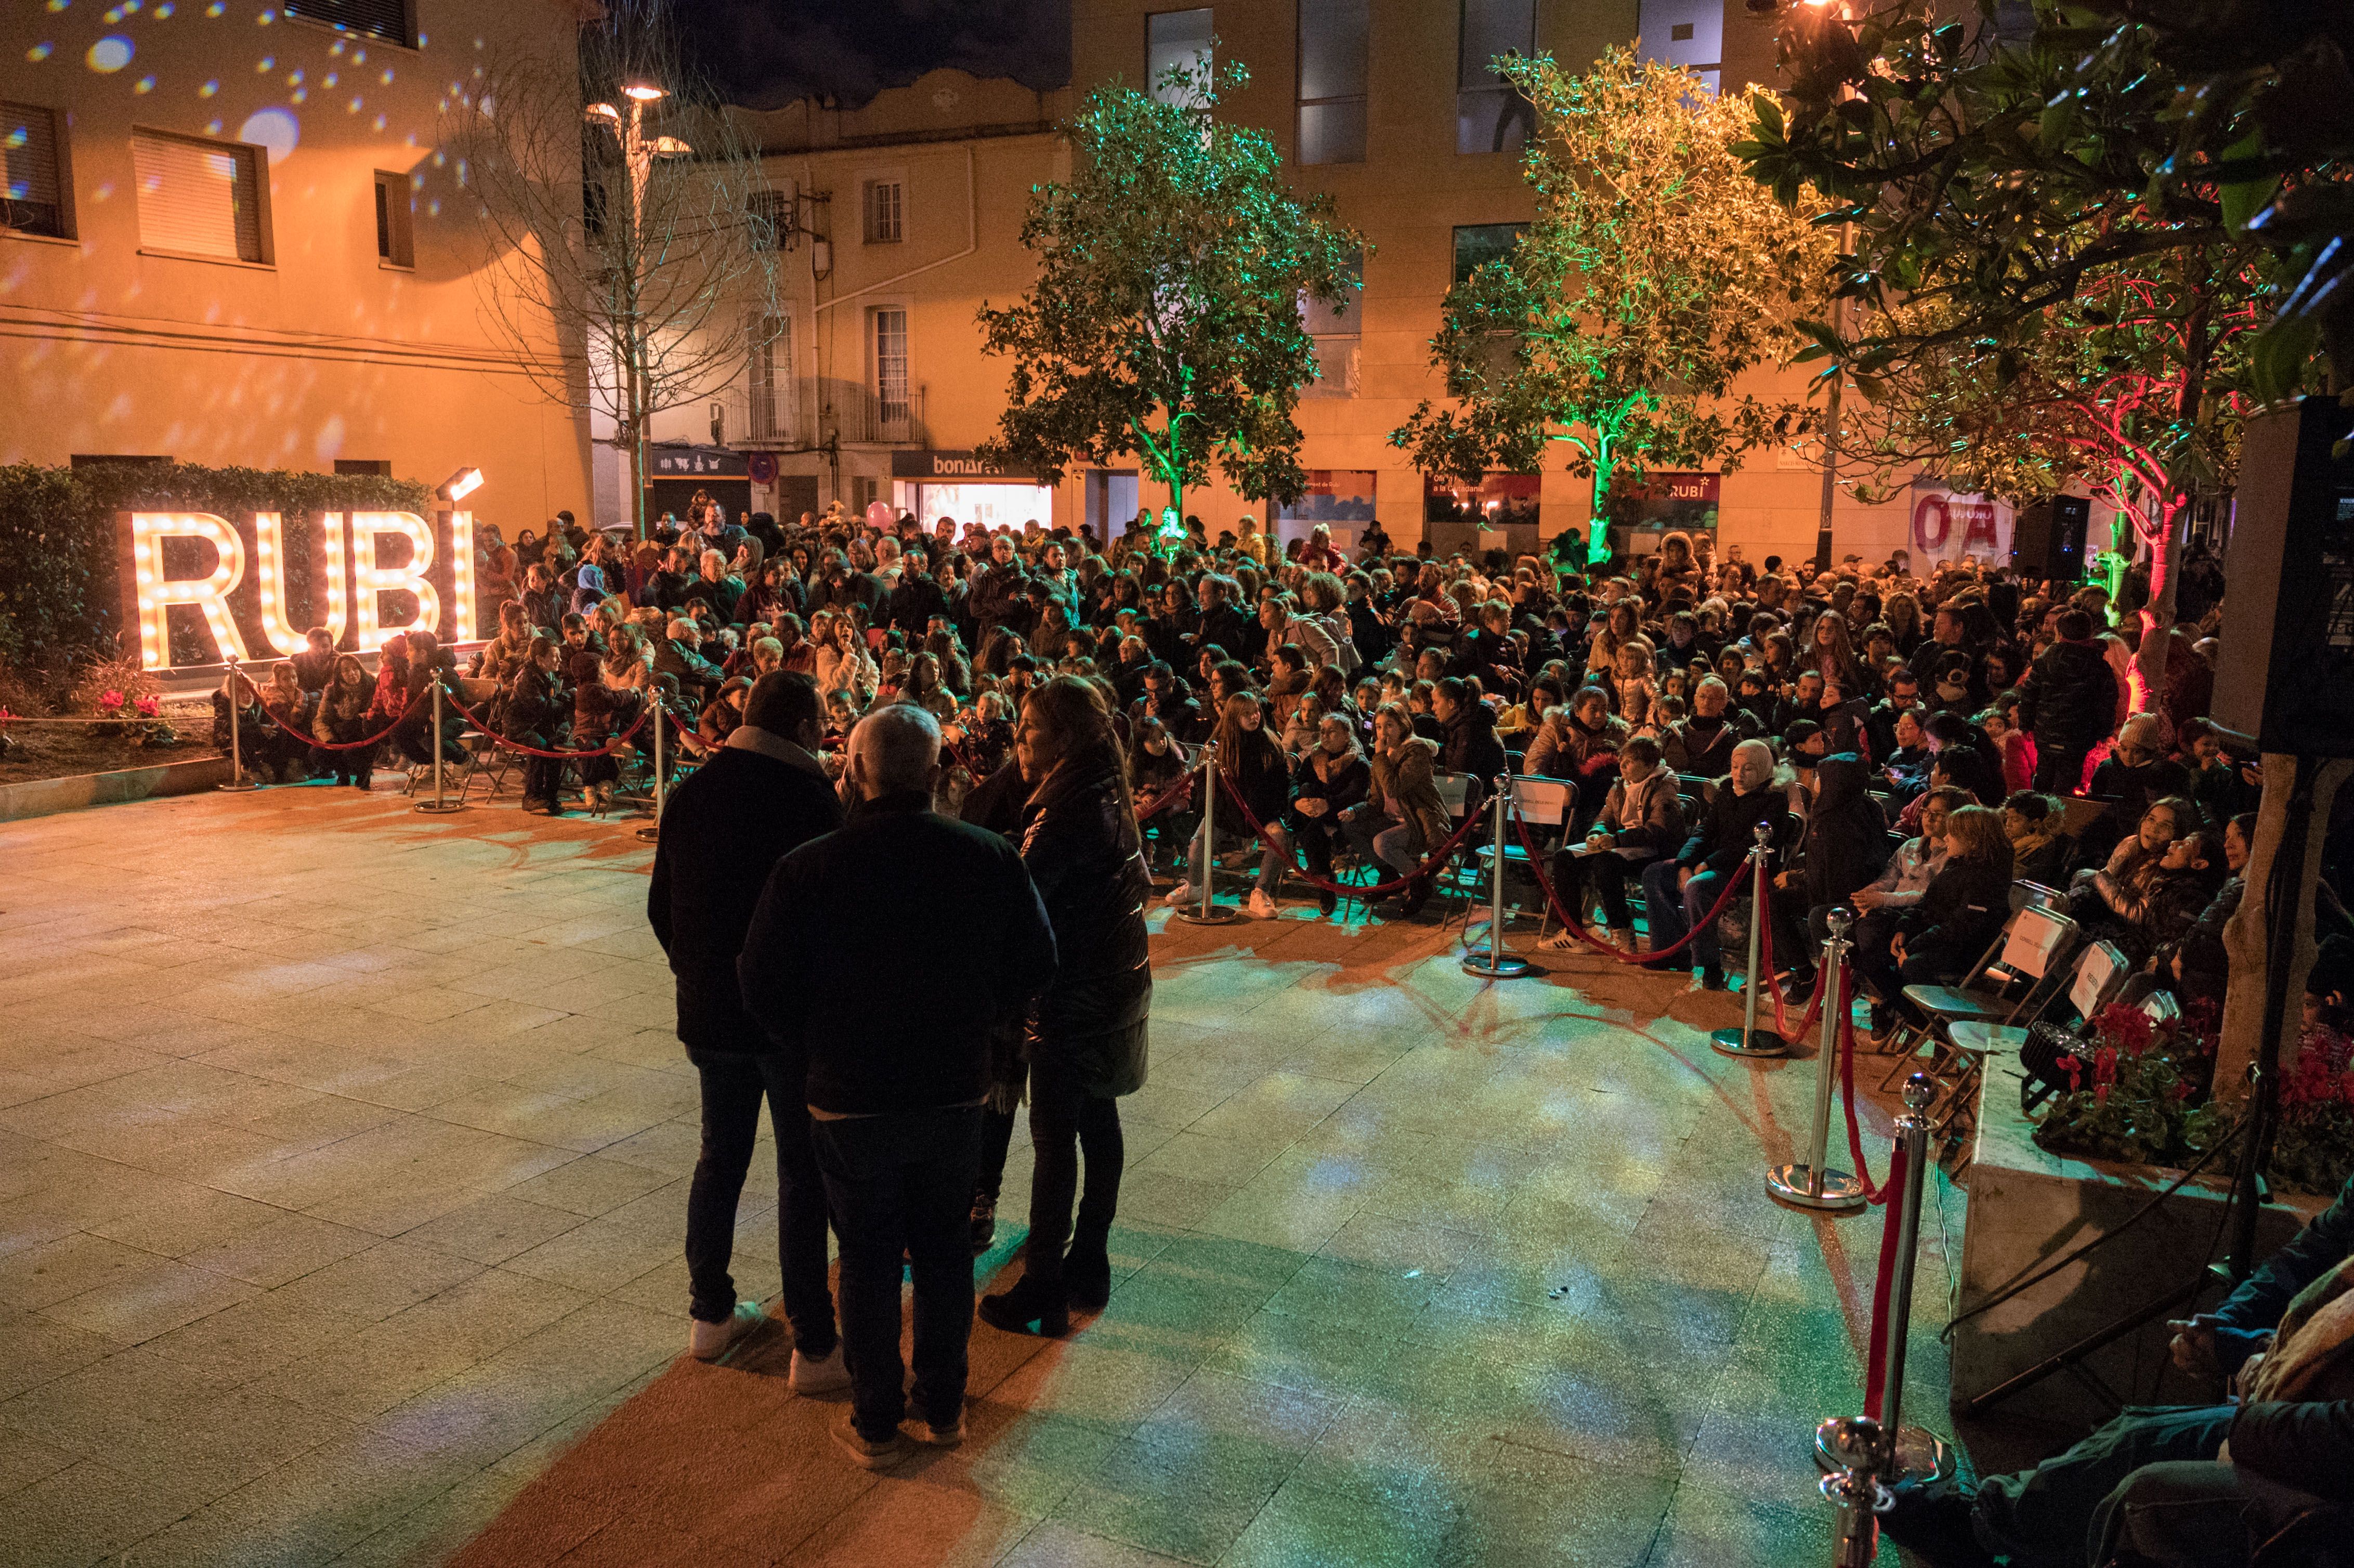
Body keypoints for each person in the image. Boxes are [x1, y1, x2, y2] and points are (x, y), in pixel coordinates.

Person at [738, 703, 1057, 1469]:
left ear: (853, 773)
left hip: (850, 1094)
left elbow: (760, 983)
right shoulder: (988, 857)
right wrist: (981, 1016)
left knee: (869, 1255)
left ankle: (875, 1415)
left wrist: (813, 1042)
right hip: (952, 1088)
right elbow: (1037, 962)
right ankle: (941, 1405)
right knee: (945, 1250)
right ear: (941, 773)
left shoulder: (809, 867)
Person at [1880, 1175, 2354, 1568]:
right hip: (2301, 1404)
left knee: (2143, 1477)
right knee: (2134, 1434)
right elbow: (2315, 1249)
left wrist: (2248, 1369)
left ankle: (1989, 1529)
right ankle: (1985, 1526)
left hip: (2330, 1467)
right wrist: (2229, 1325)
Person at [646, 672, 847, 1381]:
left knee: (719, 1158)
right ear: (799, 725)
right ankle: (815, 1344)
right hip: (788, 1024)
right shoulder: (814, 801)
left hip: (710, 1016)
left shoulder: (692, 793)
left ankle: (710, 1313)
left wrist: (698, 974)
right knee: (803, 1174)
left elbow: (660, 906)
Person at [980, 678, 1154, 1336]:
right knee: (1095, 1119)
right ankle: (1090, 1257)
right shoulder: (1100, 781)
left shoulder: (1064, 806)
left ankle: (1045, 1284)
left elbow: (1013, 893)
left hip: (1072, 992)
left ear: (1066, 736)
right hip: (1110, 982)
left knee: (1056, 1138)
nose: (1019, 740)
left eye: (1030, 730)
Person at [1642, 739, 1791, 989]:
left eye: (1749, 768)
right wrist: (1684, 863)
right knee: (1655, 874)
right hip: (1711, 864)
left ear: (1764, 769)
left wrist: (1707, 864)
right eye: (1735, 767)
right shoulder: (1726, 793)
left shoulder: (1774, 801)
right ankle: (1671, 950)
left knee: (1698, 887)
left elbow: (1748, 844)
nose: (1739, 774)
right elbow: (1704, 832)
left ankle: (1710, 964)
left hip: (1747, 869)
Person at [1542, 734, 1684, 953]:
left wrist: (1616, 839)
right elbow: (1604, 818)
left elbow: (1658, 830)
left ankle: (1622, 930)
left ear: (1649, 765)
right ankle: (1573, 932)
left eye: (1630, 761)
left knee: (1606, 863)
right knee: (1564, 857)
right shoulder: (1620, 787)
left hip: (1652, 850)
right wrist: (1596, 833)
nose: (1623, 765)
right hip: (1620, 844)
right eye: (1623, 759)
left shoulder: (1663, 789)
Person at [1340, 701, 1452, 919]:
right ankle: (1390, 877)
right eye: (1379, 727)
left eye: (1389, 726)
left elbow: (1394, 788)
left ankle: (1418, 883)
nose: (1383, 733)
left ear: (1403, 725)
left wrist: (1381, 757)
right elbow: (1375, 801)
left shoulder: (1416, 751)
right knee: (1350, 825)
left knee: (1382, 842)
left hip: (1421, 822)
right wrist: (1355, 810)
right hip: (1394, 820)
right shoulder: (1383, 756)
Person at [2015, 608, 2119, 794]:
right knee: (2068, 781)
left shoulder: (2046, 659)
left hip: (2046, 732)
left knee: (2043, 775)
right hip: (2079, 736)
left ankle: (2037, 813)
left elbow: (2029, 694)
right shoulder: (2098, 664)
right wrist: (2104, 732)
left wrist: (2026, 725)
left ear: (2059, 633)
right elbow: (2107, 701)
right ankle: (2062, 814)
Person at [1289, 712, 1372, 917]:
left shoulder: (1358, 763)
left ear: (1346, 734)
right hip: (1314, 816)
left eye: (1332, 732)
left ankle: (1325, 881)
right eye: (1322, 732)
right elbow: (1296, 783)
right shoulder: (1314, 758)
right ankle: (1326, 875)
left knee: (1310, 829)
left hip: (1343, 817)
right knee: (1307, 789)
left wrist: (1328, 805)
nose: (1325, 736)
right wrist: (1297, 802)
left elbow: (1356, 795)